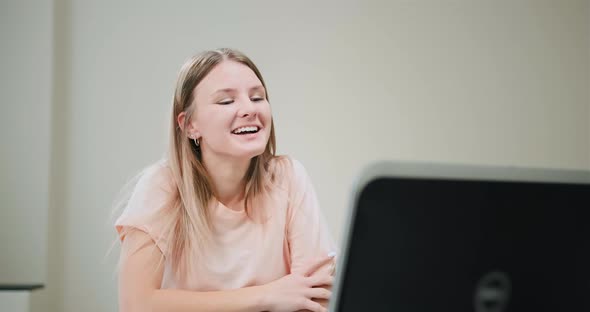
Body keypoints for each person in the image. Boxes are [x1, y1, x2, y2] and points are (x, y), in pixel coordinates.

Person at [114, 48, 337, 312]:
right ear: (189, 125)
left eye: (257, 97)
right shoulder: (162, 186)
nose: (249, 109)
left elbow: (315, 294)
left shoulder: (288, 177)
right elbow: (137, 304)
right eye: (226, 101)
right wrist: (266, 296)